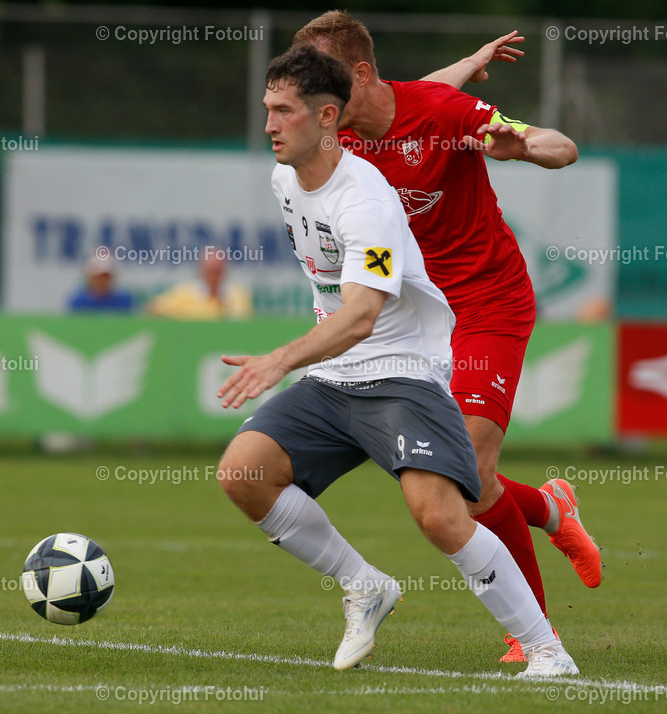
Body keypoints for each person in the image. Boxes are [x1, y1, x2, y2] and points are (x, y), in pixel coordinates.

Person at [216, 43, 578, 677]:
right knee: (243, 473)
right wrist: (464, 63)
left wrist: (278, 362)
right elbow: (410, 96)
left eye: (282, 110)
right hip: (336, 374)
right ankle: (366, 585)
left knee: (444, 512)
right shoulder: (292, 171)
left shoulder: (367, 198)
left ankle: (545, 648)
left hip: (406, 367)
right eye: (267, 108)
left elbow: (360, 317)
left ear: (328, 113)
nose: (269, 124)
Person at [293, 11, 602, 663]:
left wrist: (526, 147)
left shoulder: (443, 113)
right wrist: (462, 64)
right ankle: (549, 508)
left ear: (359, 75)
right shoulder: (341, 130)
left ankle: (533, 632)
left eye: (321, 82)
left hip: (489, 303)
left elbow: (556, 144)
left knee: (466, 475)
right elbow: (412, 97)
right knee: (446, 477)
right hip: (416, 319)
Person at [145, 252, 253, 320]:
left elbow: (243, 320)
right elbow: (153, 309)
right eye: (211, 271)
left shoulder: (238, 295)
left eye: (218, 271)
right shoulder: (184, 294)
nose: (214, 276)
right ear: (201, 271)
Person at [67, 256, 133, 313]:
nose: (102, 280)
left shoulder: (124, 301)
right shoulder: (79, 302)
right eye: (98, 277)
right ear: (89, 277)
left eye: (106, 276)